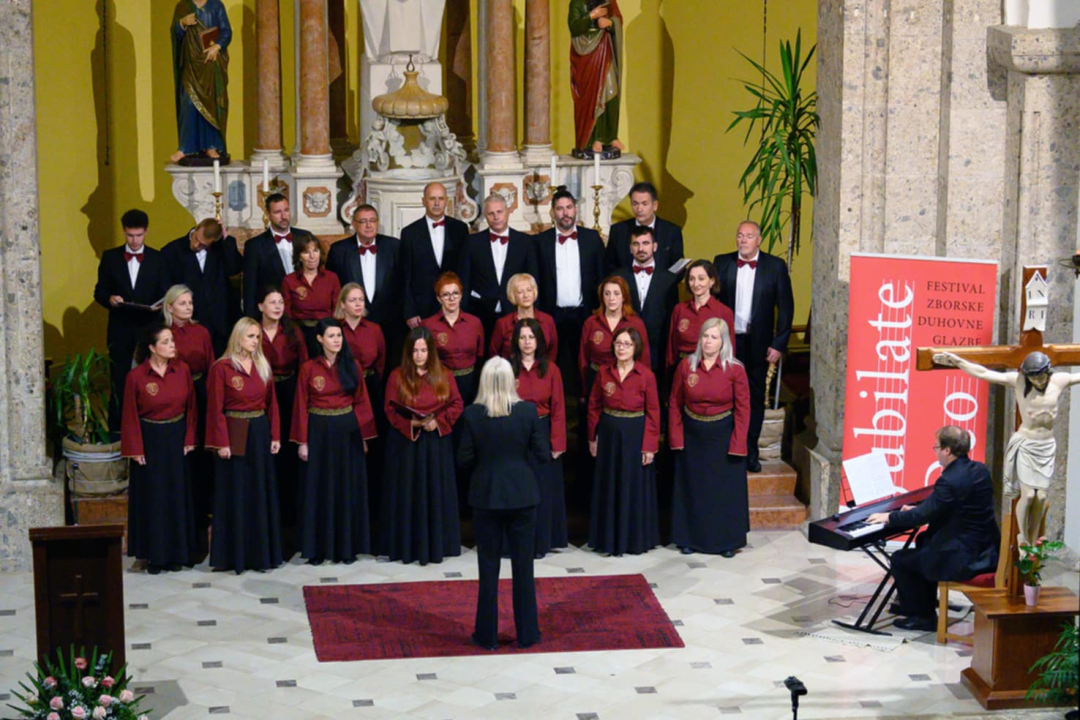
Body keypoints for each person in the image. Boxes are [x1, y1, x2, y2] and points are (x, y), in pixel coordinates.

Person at [933, 350, 1080, 549]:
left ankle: (1032, 540)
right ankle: (1022, 537)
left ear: (1048, 371)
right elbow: (984, 373)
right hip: (1027, 444)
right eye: (1033, 377)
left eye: (1040, 375)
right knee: (1029, 495)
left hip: (1046, 446)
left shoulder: (1059, 381)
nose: (1037, 380)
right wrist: (958, 361)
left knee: (1041, 497)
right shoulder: (1018, 382)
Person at [867, 426, 1000, 631]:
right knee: (923, 542)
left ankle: (922, 616)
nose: (935, 452)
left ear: (947, 450)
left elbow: (921, 516)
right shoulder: (979, 470)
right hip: (985, 549)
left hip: (964, 559)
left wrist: (889, 517)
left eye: (936, 447)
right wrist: (920, 508)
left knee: (901, 560)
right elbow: (953, 506)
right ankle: (921, 604)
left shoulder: (949, 480)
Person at [458, 357, 549, 650]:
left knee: (488, 569)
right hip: (522, 496)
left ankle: (486, 637)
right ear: (512, 381)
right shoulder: (528, 412)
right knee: (523, 569)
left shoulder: (472, 415)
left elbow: (464, 459)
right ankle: (527, 634)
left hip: (487, 497)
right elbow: (543, 454)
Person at [292, 319, 377, 564]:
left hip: (347, 432)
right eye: (331, 336)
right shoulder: (309, 368)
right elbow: (301, 405)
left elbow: (362, 402)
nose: (337, 340)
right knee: (319, 488)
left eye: (339, 335)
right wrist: (302, 442)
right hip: (318, 432)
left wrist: (364, 436)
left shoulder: (352, 365)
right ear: (320, 339)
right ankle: (318, 549)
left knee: (345, 487)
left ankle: (346, 547)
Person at [714, 221, 794, 473]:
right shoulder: (722, 262)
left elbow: (786, 307)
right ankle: (727, 450)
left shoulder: (775, 266)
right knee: (725, 395)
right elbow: (712, 302)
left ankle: (750, 452)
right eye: (740, 235)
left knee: (755, 398)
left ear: (758, 240)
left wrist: (778, 344)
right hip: (728, 342)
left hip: (760, 344)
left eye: (749, 236)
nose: (743, 240)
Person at [380, 327, 464, 565]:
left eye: (423, 351)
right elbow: (389, 409)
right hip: (407, 446)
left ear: (430, 352)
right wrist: (412, 423)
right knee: (409, 493)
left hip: (435, 444)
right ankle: (408, 546)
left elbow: (456, 404)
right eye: (415, 351)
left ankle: (438, 545)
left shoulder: (443, 374)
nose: (419, 355)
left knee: (435, 491)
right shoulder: (397, 376)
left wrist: (438, 422)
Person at [205, 318, 283, 574]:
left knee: (259, 489)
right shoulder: (222, 368)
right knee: (236, 491)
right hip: (235, 430)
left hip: (259, 429)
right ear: (238, 337)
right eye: (250, 336)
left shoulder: (262, 365)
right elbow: (215, 409)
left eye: (257, 337)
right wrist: (221, 442)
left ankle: (261, 555)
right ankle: (234, 555)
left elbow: (272, 404)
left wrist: (275, 436)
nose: (255, 341)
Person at [669, 318, 750, 557]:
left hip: (722, 437)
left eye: (714, 337)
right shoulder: (686, 366)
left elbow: (743, 409)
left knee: (721, 490)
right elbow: (674, 403)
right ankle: (689, 539)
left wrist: (738, 443)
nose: (708, 341)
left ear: (723, 342)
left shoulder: (735, 369)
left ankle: (726, 542)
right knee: (692, 487)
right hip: (692, 435)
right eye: (705, 336)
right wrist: (676, 438)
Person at [120, 323, 198, 574]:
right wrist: (136, 448)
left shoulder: (182, 370)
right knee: (154, 497)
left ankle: (177, 554)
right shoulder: (136, 377)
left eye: (172, 340)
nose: (172, 345)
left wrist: (189, 438)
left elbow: (192, 408)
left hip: (176, 437)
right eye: (166, 342)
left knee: (176, 495)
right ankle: (154, 555)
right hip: (150, 440)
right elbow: (129, 414)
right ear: (152, 348)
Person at [587, 327, 661, 555]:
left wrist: (649, 446)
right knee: (609, 486)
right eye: (618, 343)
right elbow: (594, 406)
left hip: (635, 435)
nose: (622, 348)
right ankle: (608, 539)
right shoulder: (604, 372)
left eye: (627, 344)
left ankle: (633, 540)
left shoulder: (646, 375)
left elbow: (653, 412)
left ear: (636, 347)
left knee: (633, 487)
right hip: (609, 437)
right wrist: (592, 437)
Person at [94, 209, 168, 430]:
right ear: (123, 231)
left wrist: (161, 305)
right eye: (130, 235)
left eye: (138, 235)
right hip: (120, 327)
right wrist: (110, 299)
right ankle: (117, 428)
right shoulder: (110, 257)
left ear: (146, 232)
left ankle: (149, 423)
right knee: (119, 379)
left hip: (149, 326)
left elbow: (166, 291)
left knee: (150, 376)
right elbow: (99, 291)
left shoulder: (158, 258)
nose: (134, 241)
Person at [162, 284, 217, 558]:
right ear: (169, 306)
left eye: (190, 303)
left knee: (202, 453)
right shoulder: (163, 334)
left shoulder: (201, 332)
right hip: (174, 396)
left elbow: (211, 365)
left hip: (201, 392)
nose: (188, 307)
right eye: (182, 303)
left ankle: (203, 510)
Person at [535, 189, 604, 399]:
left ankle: (585, 407)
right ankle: (549, 405)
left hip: (584, 314)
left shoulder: (592, 238)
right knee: (549, 364)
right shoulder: (540, 242)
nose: (565, 213)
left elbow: (602, 277)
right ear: (553, 212)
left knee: (583, 366)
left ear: (575, 209)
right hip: (551, 315)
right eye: (560, 209)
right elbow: (535, 280)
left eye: (569, 207)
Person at [510, 319, 568, 557]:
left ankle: (541, 542)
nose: (527, 342)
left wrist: (557, 442)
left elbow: (558, 408)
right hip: (514, 433)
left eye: (531, 337)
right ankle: (515, 542)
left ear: (539, 341)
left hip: (542, 431)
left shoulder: (551, 369)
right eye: (522, 337)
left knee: (542, 488)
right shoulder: (507, 368)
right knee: (515, 488)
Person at [257, 286, 308, 552]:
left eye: (280, 302)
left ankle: (290, 518)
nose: (278, 307)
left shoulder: (292, 331)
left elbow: (304, 365)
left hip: (288, 390)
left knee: (288, 452)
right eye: (272, 302)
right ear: (260, 306)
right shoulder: (252, 331)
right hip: (261, 391)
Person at [336, 283, 388, 539]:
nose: (358, 304)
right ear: (342, 304)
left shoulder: (374, 329)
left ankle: (374, 512)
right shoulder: (336, 330)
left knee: (373, 448)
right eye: (352, 300)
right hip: (344, 389)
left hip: (371, 387)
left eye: (361, 299)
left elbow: (381, 362)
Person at [161, 217, 242, 356]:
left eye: (202, 244)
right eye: (196, 239)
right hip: (190, 323)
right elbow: (166, 287)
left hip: (220, 325)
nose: (196, 245)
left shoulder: (222, 248)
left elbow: (234, 268)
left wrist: (225, 238)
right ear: (197, 228)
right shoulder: (172, 250)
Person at [461, 195, 538, 341]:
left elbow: (533, 280)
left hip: (515, 311)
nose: (496, 217)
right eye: (491, 213)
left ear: (508, 211)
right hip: (480, 312)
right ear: (485, 215)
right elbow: (464, 280)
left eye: (499, 212)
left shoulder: (525, 242)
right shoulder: (472, 242)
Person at [401, 183, 470, 328]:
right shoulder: (409, 233)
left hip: (454, 305)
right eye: (432, 199)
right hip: (422, 309)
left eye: (441, 198)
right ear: (423, 201)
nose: (437, 203)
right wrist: (410, 311)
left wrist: (463, 305)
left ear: (446, 201)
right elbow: (406, 275)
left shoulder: (460, 229)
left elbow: (465, 270)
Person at [615, 226, 679, 381]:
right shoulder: (618, 277)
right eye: (636, 244)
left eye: (645, 243)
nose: (641, 249)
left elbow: (672, 318)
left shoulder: (669, 279)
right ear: (630, 248)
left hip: (658, 351)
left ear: (654, 246)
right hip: (625, 349)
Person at [170, 0, 231, 163]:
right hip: (190, 65)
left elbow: (226, 31)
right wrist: (182, 23)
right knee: (188, 103)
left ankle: (211, 145)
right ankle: (185, 147)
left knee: (210, 104)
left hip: (209, 64)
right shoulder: (182, 6)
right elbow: (176, 35)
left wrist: (217, 47)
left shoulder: (216, 6)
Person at [578, 276, 651, 402]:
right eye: (607, 294)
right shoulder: (591, 323)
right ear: (602, 297)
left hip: (627, 381)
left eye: (616, 293)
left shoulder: (636, 324)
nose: (611, 298)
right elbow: (583, 359)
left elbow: (644, 359)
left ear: (624, 297)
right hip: (596, 381)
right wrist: (584, 389)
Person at [243, 193, 315, 320]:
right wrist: (251, 320)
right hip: (275, 312)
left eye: (286, 210)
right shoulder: (254, 245)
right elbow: (250, 287)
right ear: (268, 215)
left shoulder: (305, 236)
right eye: (277, 212)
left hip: (307, 310)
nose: (283, 216)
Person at [421, 273, 485, 406]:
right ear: (439, 299)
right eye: (446, 295)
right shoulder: (428, 325)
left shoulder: (474, 323)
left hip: (470, 383)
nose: (451, 298)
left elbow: (480, 355)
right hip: (440, 383)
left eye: (455, 293)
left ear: (461, 295)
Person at [568, 0, 624, 154]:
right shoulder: (577, 2)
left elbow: (618, 18)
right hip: (587, 54)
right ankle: (594, 138)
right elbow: (574, 26)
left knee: (612, 90)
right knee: (592, 94)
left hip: (604, 48)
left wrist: (610, 23)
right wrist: (591, 16)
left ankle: (610, 136)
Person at [667, 260, 735, 376]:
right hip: (683, 368)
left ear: (712, 281)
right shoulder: (680, 309)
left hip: (712, 371)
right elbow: (671, 347)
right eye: (691, 279)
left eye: (701, 279)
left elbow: (729, 349)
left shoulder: (724, 312)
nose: (695, 283)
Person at [604, 183, 685, 275]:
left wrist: (664, 281)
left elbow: (679, 267)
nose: (639, 209)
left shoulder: (671, 232)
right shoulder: (618, 231)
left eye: (644, 204)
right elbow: (609, 266)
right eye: (635, 204)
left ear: (655, 205)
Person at [281, 235, 341, 357]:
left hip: (326, 331)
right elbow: (286, 314)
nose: (312, 256)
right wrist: (294, 334)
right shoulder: (289, 281)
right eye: (306, 252)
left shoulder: (332, 278)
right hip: (298, 333)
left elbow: (338, 311)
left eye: (315, 251)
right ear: (299, 257)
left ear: (320, 254)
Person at [488, 273, 559, 361]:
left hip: (541, 369)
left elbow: (552, 352)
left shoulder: (547, 320)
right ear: (513, 295)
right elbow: (494, 355)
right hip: (510, 369)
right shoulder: (502, 324)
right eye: (520, 292)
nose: (526, 295)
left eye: (529, 290)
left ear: (534, 292)